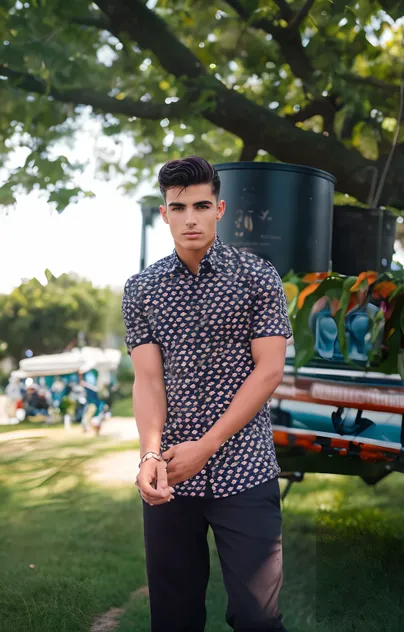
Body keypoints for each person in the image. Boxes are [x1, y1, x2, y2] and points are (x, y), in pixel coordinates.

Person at [122, 156, 292, 632]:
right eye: (179, 207)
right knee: (174, 618)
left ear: (220, 209)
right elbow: (148, 381)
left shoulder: (258, 276)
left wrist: (209, 444)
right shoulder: (141, 290)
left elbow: (269, 370)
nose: (190, 218)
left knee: (258, 617)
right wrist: (149, 455)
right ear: (165, 214)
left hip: (246, 468)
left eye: (201, 205)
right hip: (171, 475)